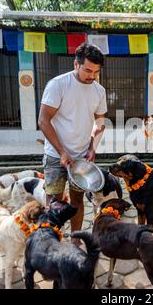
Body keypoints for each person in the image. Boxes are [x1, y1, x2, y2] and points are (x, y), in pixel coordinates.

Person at [38, 43, 107, 244]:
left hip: (81, 157)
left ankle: (75, 241)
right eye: (87, 70)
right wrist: (61, 152)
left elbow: (100, 122)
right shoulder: (58, 85)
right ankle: (52, 242)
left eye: (96, 71)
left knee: (77, 201)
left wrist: (93, 147)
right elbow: (43, 120)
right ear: (76, 64)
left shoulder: (99, 91)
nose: (91, 75)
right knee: (55, 202)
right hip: (55, 155)